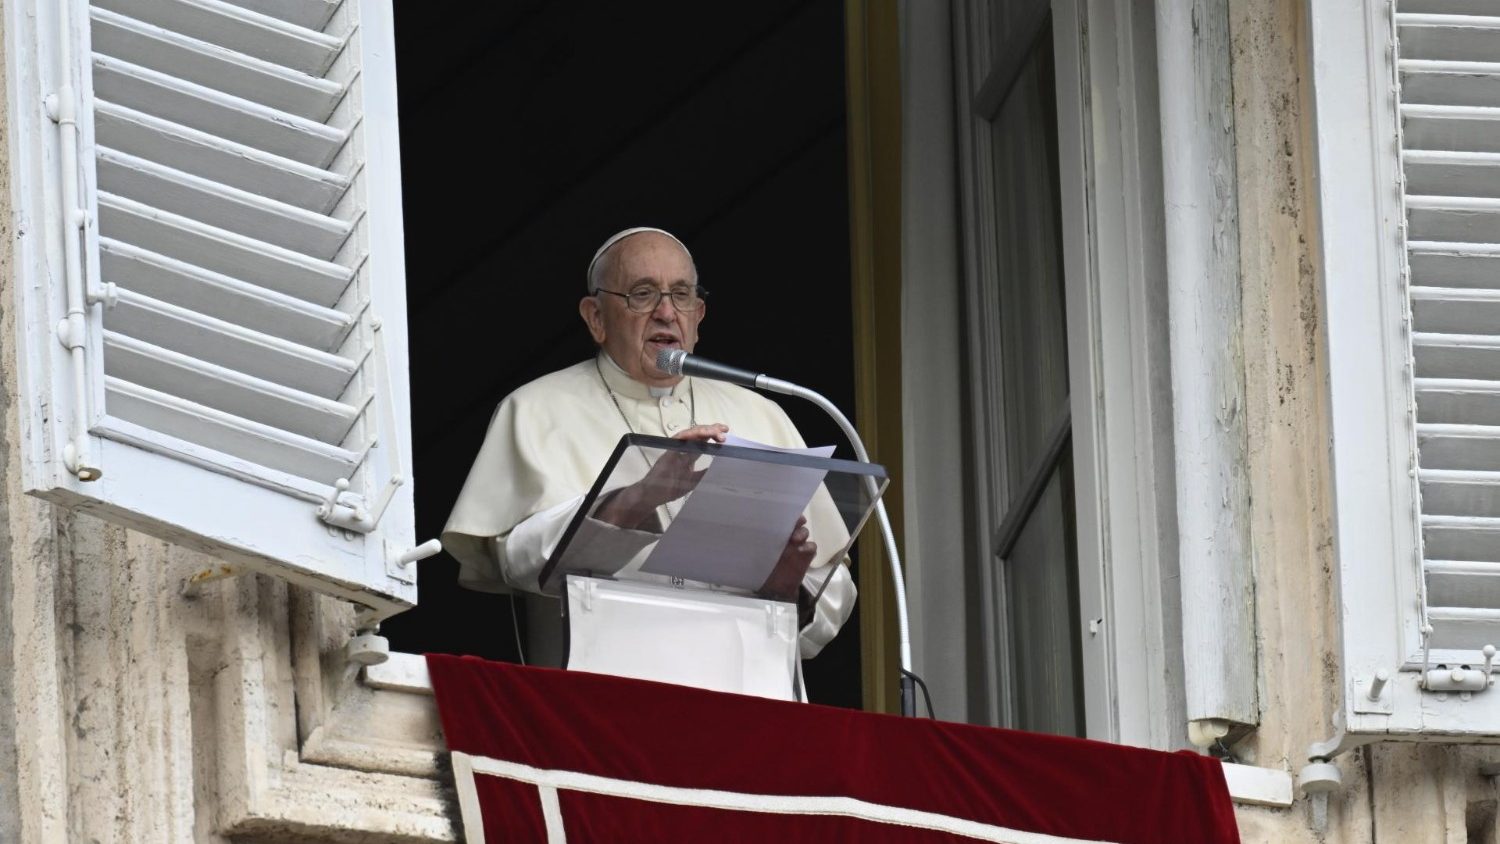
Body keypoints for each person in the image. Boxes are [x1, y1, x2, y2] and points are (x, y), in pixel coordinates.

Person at [441, 227, 857, 662]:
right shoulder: (534, 409)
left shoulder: (764, 415)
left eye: (680, 295)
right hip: (602, 693)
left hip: (749, 691)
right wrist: (636, 499)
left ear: (698, 314)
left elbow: (834, 590)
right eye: (642, 294)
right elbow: (518, 559)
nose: (665, 312)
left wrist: (789, 589)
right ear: (596, 318)